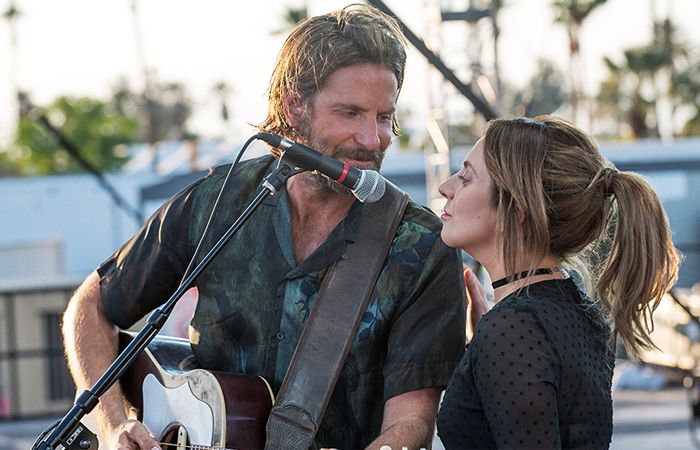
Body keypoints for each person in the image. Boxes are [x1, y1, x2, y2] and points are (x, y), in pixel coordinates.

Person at [62, 4, 467, 450]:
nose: (373, 139)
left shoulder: (421, 247)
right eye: (350, 113)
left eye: (384, 117)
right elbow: (92, 306)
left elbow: (410, 424)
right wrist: (113, 425)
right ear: (294, 107)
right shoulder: (220, 201)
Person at [435, 115, 680, 449]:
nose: (445, 187)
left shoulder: (515, 328)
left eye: (466, 177)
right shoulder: (569, 308)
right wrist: (483, 352)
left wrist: (498, 338)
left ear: (515, 209)